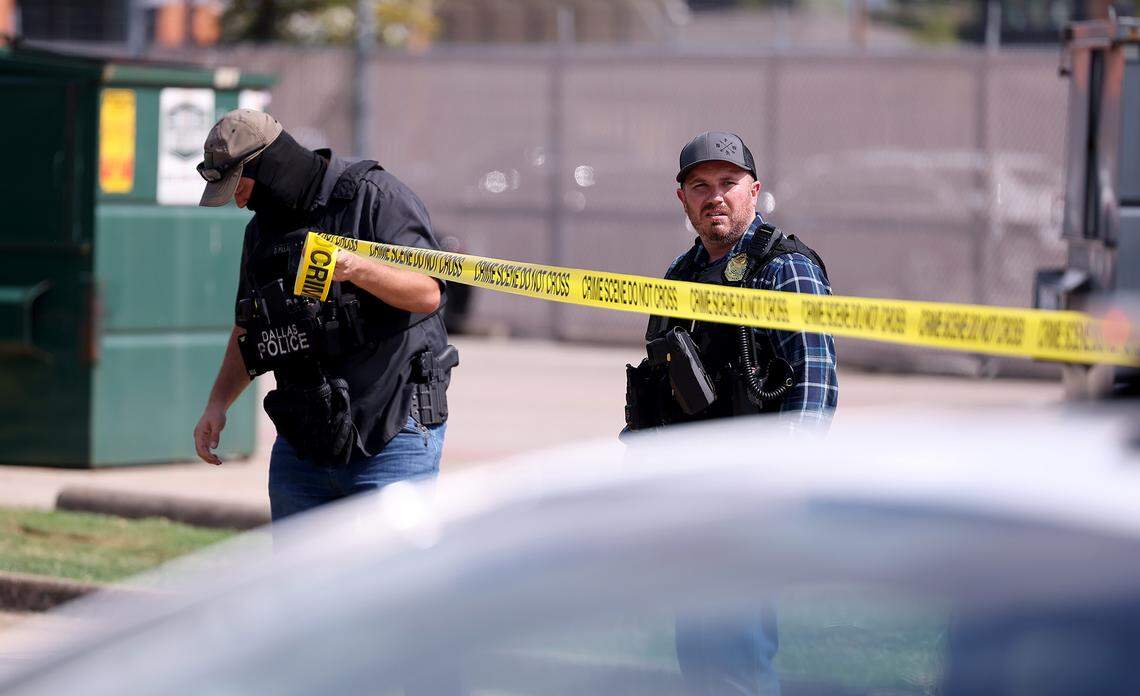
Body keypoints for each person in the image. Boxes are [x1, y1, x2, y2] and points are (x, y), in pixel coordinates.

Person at [625, 131, 838, 695]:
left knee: (738, 653)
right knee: (697, 651)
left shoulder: (782, 267)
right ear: (683, 199)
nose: (714, 197)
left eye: (728, 184)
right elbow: (658, 386)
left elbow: (815, 386)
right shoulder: (680, 273)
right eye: (700, 186)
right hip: (688, 490)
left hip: (751, 490)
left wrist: (776, 485)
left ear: (755, 191)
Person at [191, 109, 456, 522]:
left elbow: (427, 292)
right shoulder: (261, 232)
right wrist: (217, 403)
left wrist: (355, 268)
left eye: (238, 185)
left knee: (390, 586)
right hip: (306, 442)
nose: (238, 200)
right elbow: (250, 328)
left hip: (391, 432)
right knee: (301, 586)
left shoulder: (374, 196)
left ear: (268, 164)